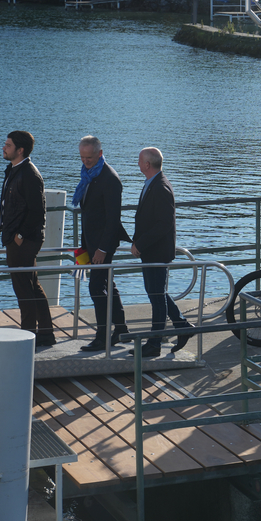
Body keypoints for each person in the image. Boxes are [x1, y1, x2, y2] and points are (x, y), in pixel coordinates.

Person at [130, 148, 194, 357]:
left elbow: (164, 224)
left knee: (156, 296)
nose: (138, 164)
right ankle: (182, 326)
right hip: (151, 251)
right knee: (156, 293)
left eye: (140, 161)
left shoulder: (160, 187)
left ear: (148, 164)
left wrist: (140, 244)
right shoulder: (152, 184)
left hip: (156, 252)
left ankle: (155, 343)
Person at [0, 131, 54, 346]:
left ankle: (28, 335)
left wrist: (19, 236)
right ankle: (45, 333)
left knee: (23, 287)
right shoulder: (15, 170)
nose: (4, 148)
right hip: (17, 237)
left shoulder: (29, 174)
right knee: (31, 284)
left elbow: (38, 212)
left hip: (23, 239)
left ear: (20, 150)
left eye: (8, 145)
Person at [76, 136, 132, 352]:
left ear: (100, 154)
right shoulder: (89, 175)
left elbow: (113, 219)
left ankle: (102, 336)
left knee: (96, 287)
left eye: (89, 157)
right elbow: (88, 214)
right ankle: (121, 329)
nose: (85, 161)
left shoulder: (109, 178)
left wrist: (102, 249)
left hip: (103, 245)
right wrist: (82, 248)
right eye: (82, 157)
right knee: (107, 284)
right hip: (90, 243)